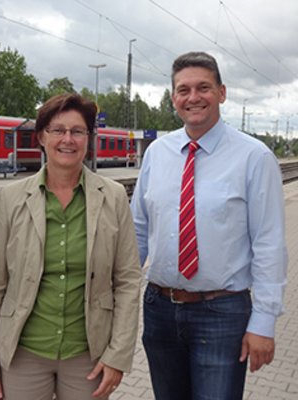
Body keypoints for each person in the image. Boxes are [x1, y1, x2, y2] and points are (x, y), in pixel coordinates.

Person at [131, 51, 288, 400]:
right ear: (173, 98)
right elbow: (138, 231)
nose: (193, 97)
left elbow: (269, 244)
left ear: (222, 92)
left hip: (222, 313)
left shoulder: (254, 157)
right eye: (183, 90)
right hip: (159, 308)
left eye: (203, 87)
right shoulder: (157, 153)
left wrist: (263, 322)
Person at [0, 93, 142, 400]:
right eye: (57, 130)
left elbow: (129, 281)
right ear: (41, 137)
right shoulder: (11, 199)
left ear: (88, 139)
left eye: (78, 131)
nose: (68, 139)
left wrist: (118, 355)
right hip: (23, 353)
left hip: (88, 354)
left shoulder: (114, 197)